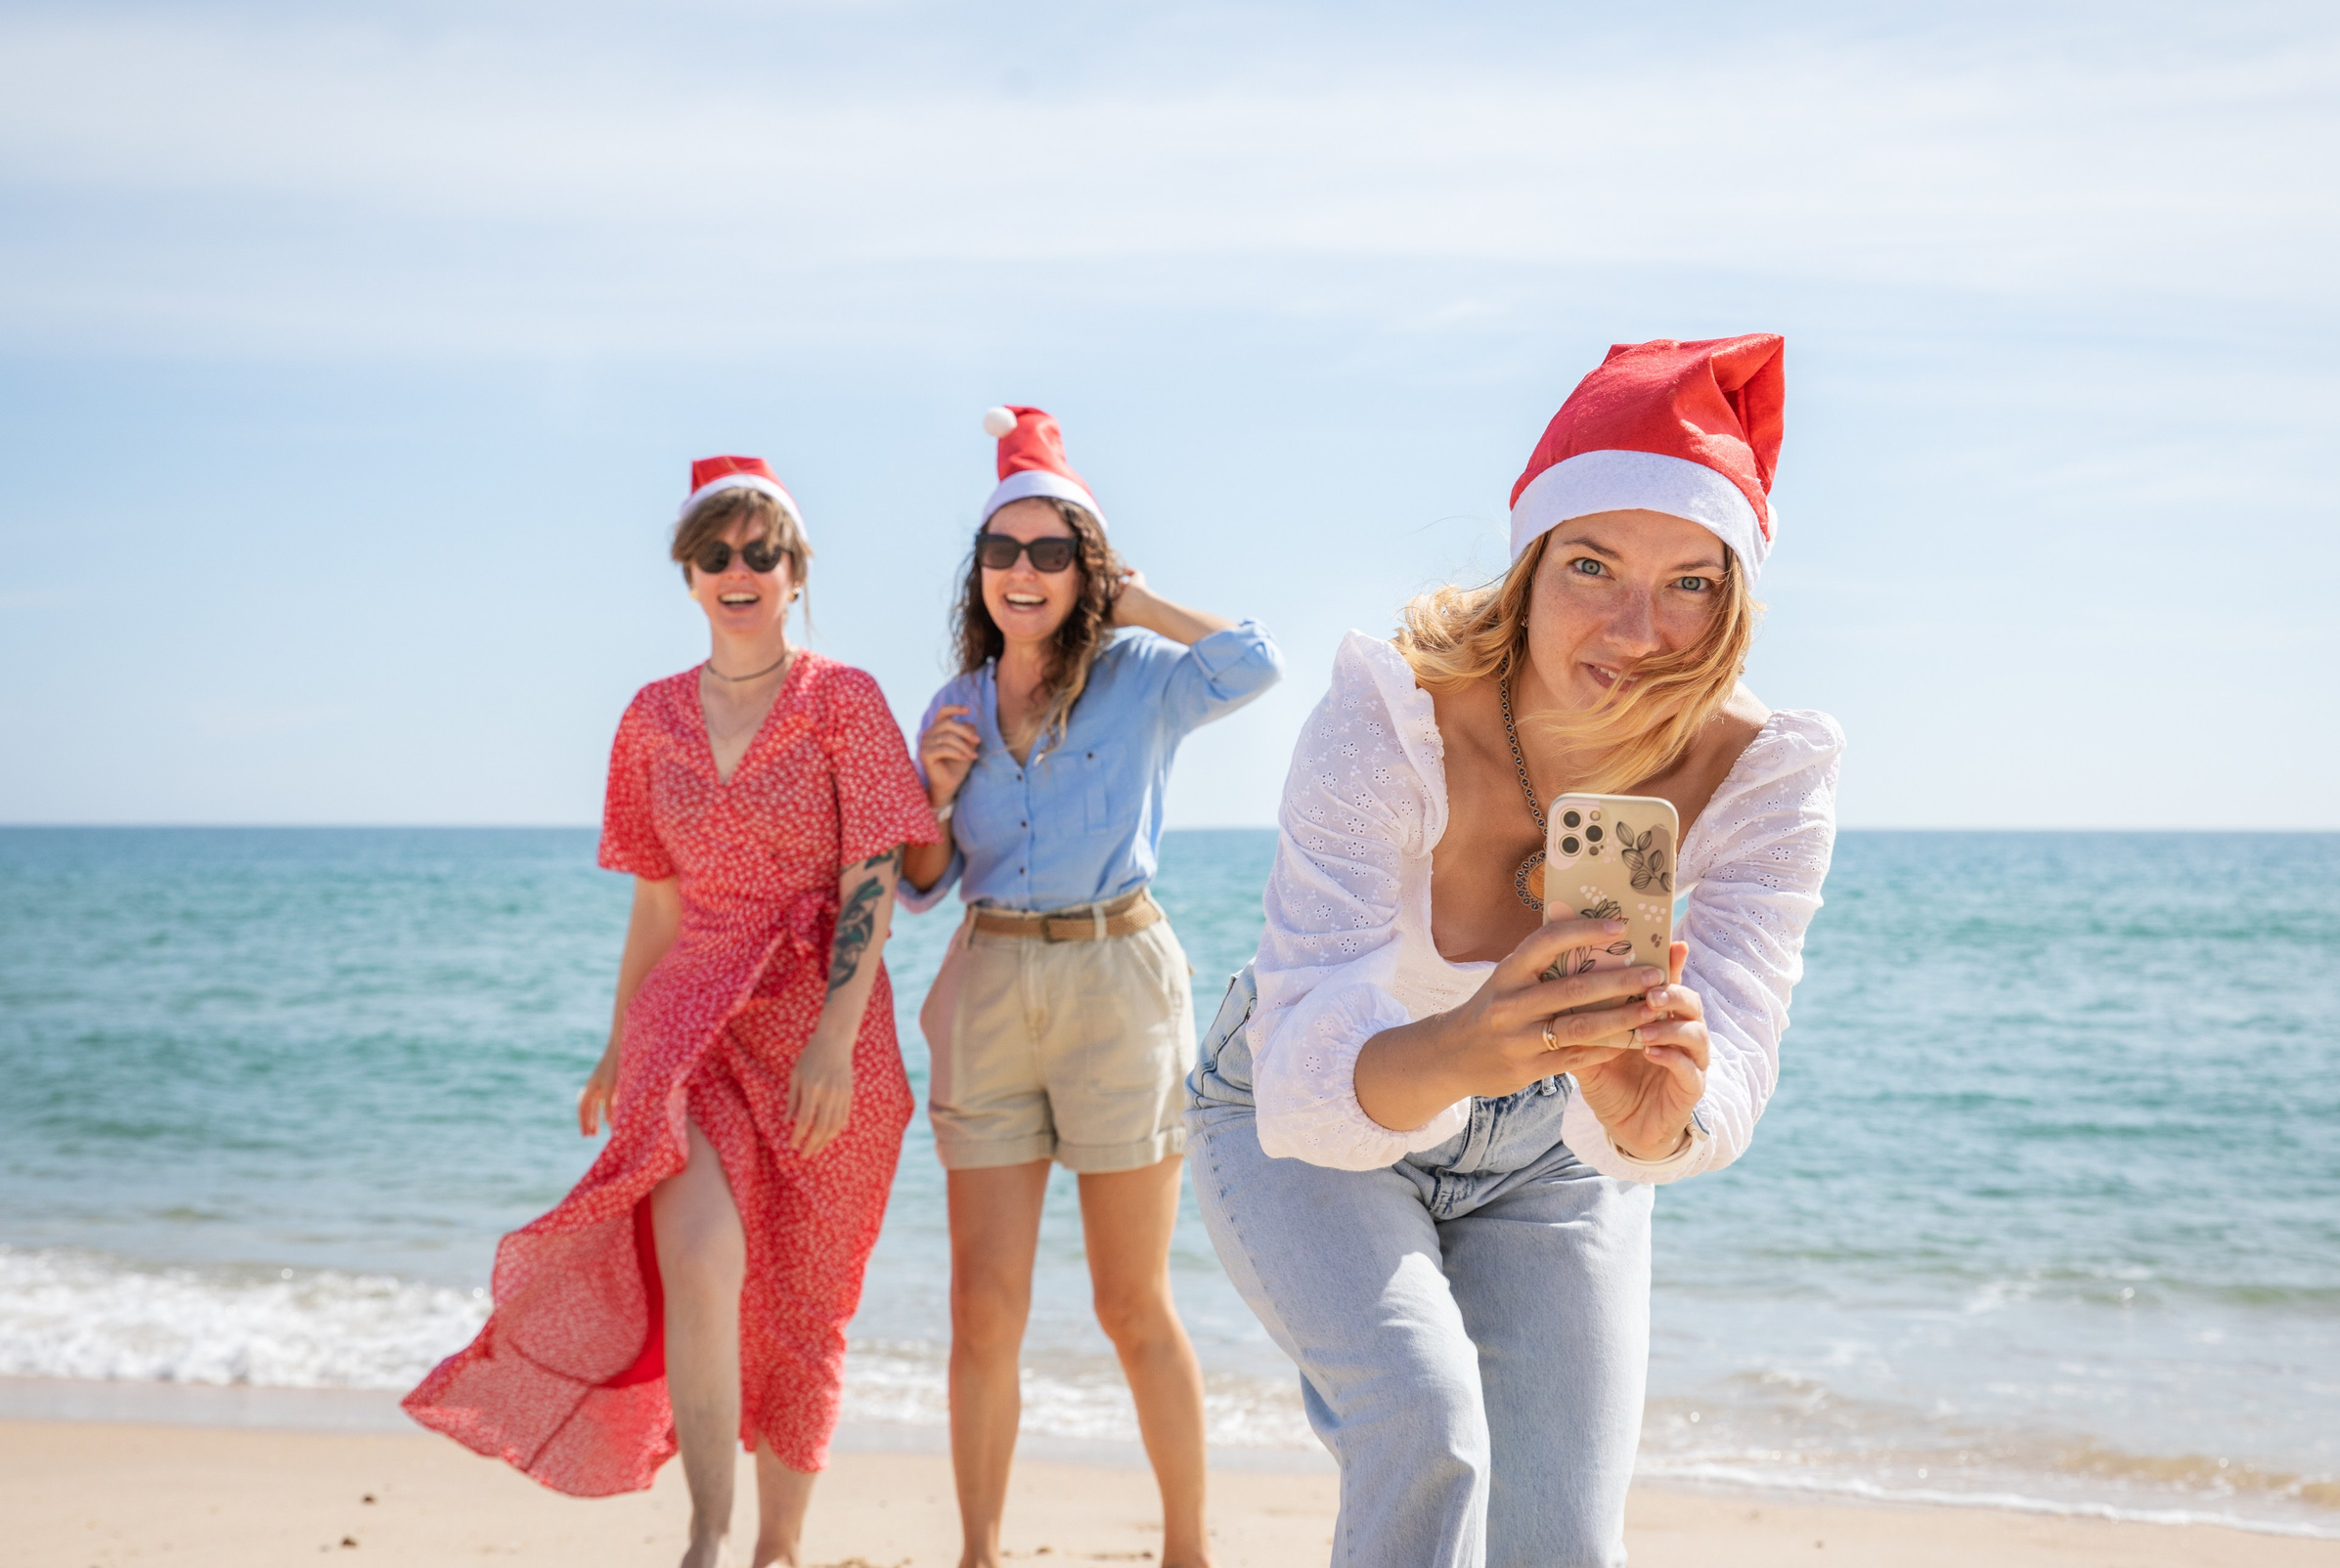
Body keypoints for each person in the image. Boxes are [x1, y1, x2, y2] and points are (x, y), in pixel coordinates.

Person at [1185, 336, 1843, 1568]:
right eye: (1592, 564)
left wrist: (1657, 1112)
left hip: (1556, 1150)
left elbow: (1731, 1068)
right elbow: (1305, 1074)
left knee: (1561, 1541)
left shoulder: (1760, 775)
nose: (1634, 629)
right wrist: (1463, 1041)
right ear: (1530, 565)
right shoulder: (1388, 718)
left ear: (1733, 597)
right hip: (1314, 1094)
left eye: (1689, 582)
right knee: (1426, 1429)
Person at [406, 457, 940, 1568]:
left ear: (796, 572)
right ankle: (705, 1527)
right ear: (688, 575)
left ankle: (777, 1545)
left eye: (762, 551)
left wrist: (836, 1038)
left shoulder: (844, 698)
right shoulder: (649, 716)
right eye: (717, 553)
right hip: (685, 1021)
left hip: (822, 1027)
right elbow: (657, 896)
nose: (738, 569)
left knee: (804, 1296)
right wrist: (615, 1042)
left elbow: (871, 879)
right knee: (699, 1259)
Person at [898, 406, 1283, 1568]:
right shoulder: (955, 705)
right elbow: (922, 882)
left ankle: (1186, 1550)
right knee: (984, 1308)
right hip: (991, 976)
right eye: (1004, 551)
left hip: (1119, 978)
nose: (1025, 571)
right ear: (979, 570)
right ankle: (979, 1551)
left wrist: (1143, 597)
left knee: (1130, 1300)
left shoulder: (1142, 679)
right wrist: (929, 790)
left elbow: (1256, 661)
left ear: (1086, 568)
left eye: (1053, 551)